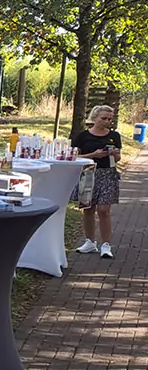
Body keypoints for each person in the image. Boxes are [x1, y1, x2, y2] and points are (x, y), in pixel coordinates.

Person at [73, 105, 122, 258]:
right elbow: (75, 156)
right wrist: (93, 154)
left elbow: (118, 158)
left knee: (104, 210)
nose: (107, 121)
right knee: (88, 208)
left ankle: (106, 244)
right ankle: (90, 241)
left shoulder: (114, 136)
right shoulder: (83, 136)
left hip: (107, 173)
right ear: (94, 118)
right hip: (88, 172)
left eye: (109, 119)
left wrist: (114, 154)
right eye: (103, 118)